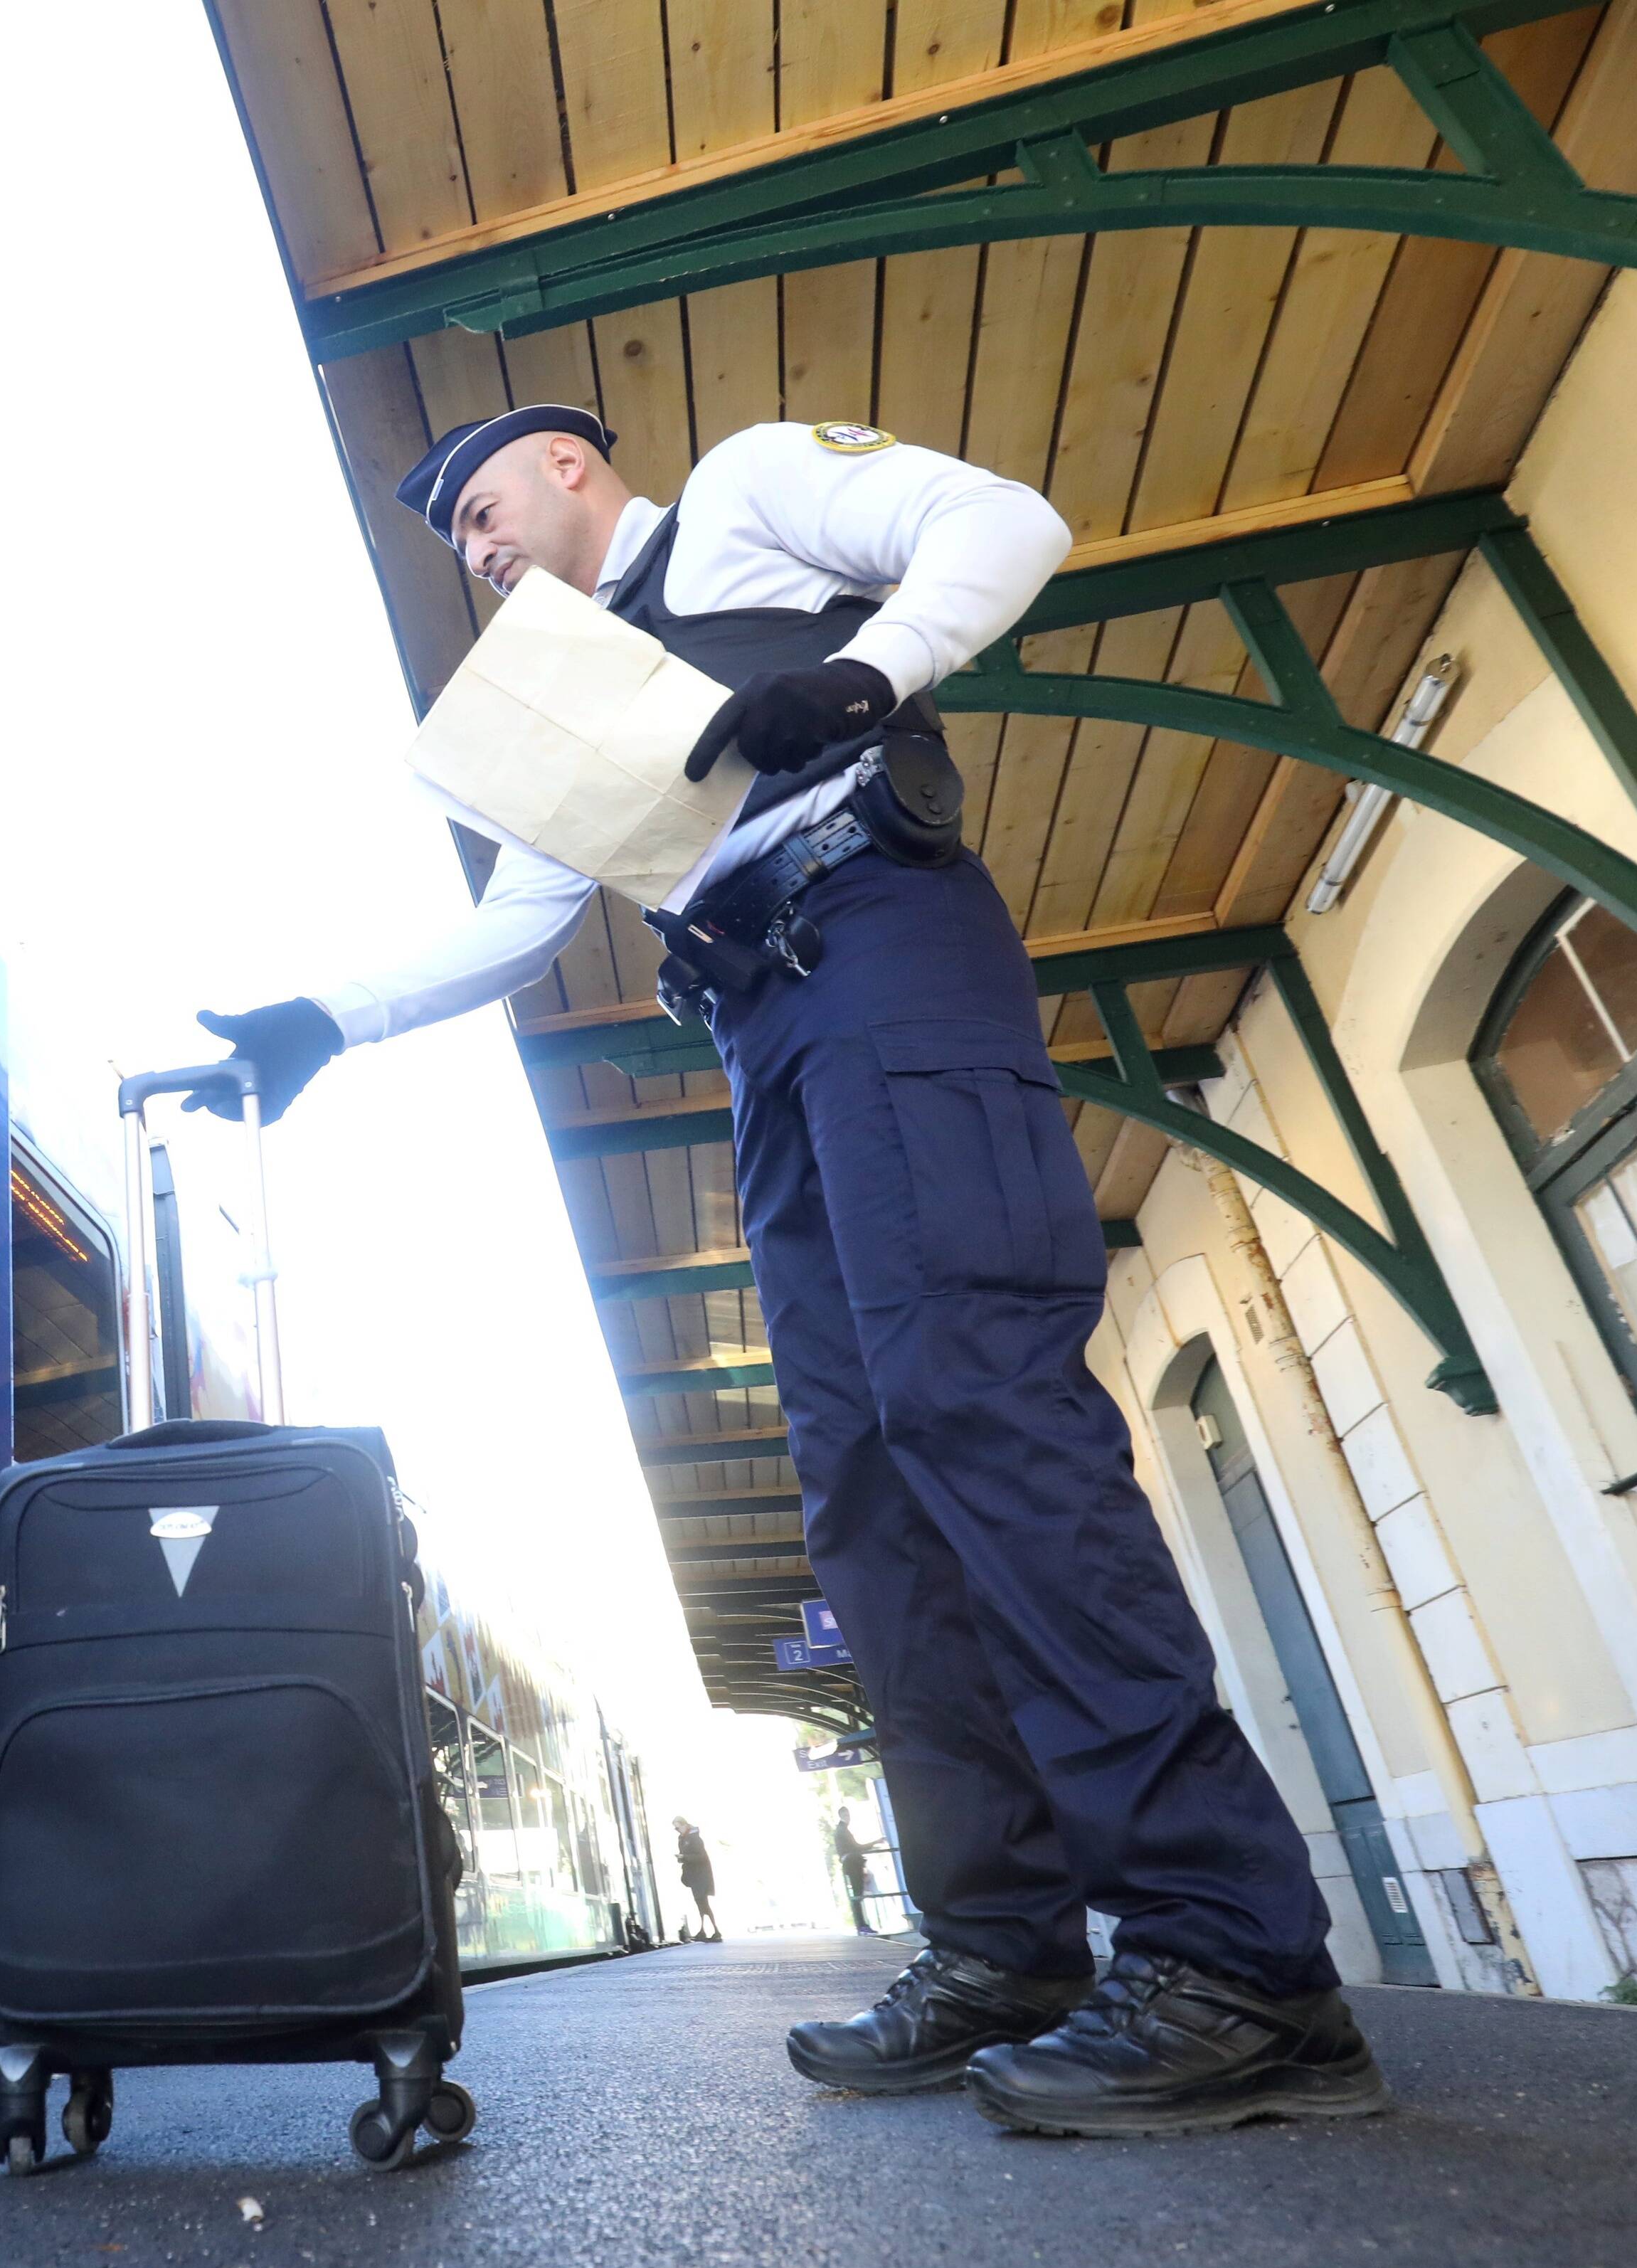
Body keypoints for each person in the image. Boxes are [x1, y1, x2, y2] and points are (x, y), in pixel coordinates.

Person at [192, 406, 1384, 2139]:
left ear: (574, 466)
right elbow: (526, 919)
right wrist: (332, 1015)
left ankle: (1237, 1962)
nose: (477, 544)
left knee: (973, 1401)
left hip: (888, 946)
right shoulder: (566, 686)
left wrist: (868, 675)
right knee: (868, 1488)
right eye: (454, 535)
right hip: (765, 1026)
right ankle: (1005, 1946)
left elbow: (1007, 521)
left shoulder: (750, 494)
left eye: (484, 504)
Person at [674, 1817, 721, 1943]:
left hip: (701, 1876)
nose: (677, 1830)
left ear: (685, 1825)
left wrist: (685, 1857)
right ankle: (706, 1930)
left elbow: (702, 1857)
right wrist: (682, 1858)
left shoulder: (695, 1838)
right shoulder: (683, 1839)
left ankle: (714, 1931)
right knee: (701, 1904)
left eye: (678, 1827)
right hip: (694, 1876)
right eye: (676, 1828)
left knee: (703, 1903)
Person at [832, 1810, 876, 1938]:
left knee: (858, 1895)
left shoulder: (841, 1831)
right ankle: (862, 1925)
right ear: (841, 1816)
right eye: (846, 1815)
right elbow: (856, 1847)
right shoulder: (842, 1831)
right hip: (852, 1864)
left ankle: (862, 1925)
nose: (849, 1818)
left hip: (851, 1863)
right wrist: (874, 1843)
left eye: (849, 1815)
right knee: (857, 1895)